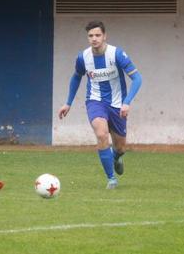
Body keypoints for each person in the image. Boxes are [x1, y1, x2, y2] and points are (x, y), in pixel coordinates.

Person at [58, 21, 142, 189]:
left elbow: (137, 78)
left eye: (97, 35)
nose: (94, 39)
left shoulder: (116, 54)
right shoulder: (83, 57)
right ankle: (111, 179)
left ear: (105, 36)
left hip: (118, 103)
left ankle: (117, 156)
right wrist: (68, 103)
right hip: (95, 101)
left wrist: (126, 103)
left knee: (120, 146)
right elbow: (76, 77)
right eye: (90, 36)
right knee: (102, 134)